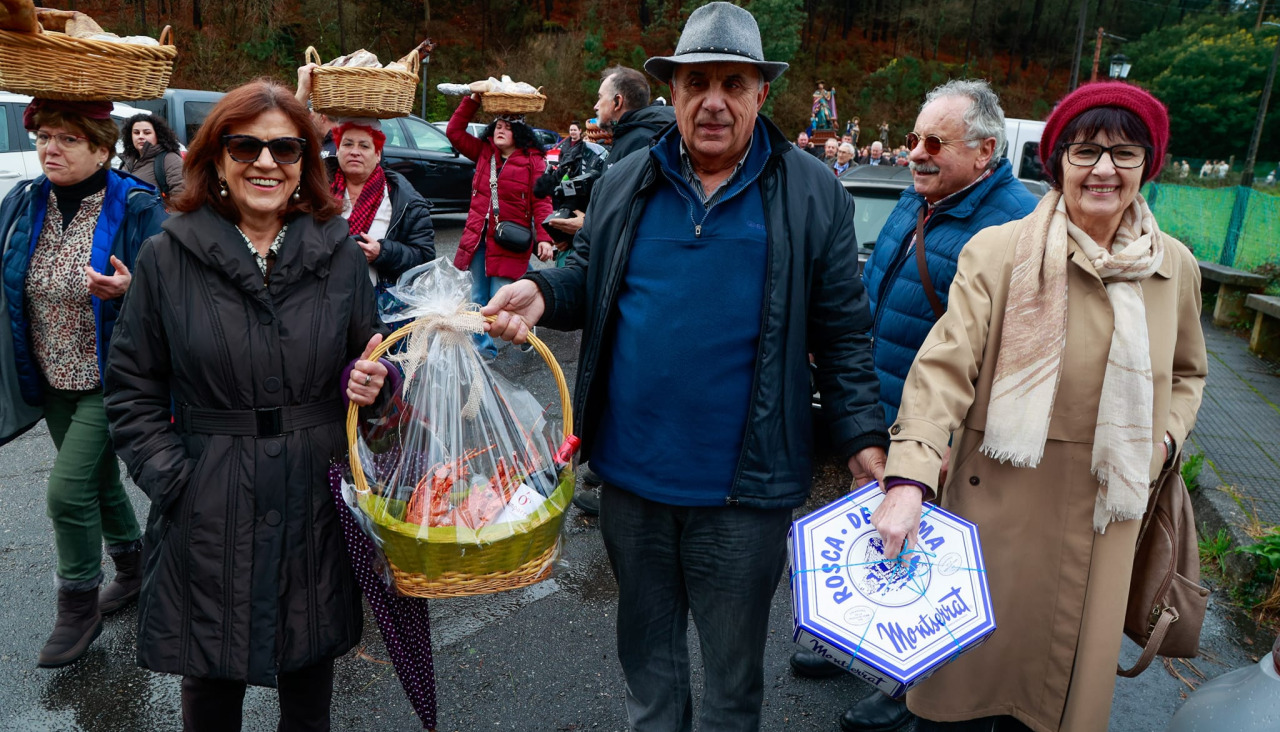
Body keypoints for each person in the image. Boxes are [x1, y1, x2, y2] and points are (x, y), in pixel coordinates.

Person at [483, 4, 888, 729]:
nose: (713, 101)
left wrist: (863, 440)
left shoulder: (812, 191)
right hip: (631, 484)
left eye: (733, 84)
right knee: (649, 673)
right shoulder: (628, 179)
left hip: (745, 498)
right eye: (696, 82)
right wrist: (541, 290)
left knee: (732, 687)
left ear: (762, 93)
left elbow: (844, 331)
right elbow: (587, 275)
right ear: (671, 91)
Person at [870, 81, 1207, 732]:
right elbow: (945, 365)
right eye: (1084, 151)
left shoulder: (1175, 269)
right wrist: (909, 475)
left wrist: (1163, 441)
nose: (1104, 168)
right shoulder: (999, 252)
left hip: (1103, 525)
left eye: (1125, 152)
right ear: (1055, 162)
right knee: (966, 700)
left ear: (1149, 163)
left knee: (1051, 708)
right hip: (992, 515)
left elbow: (1189, 373)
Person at [103, 80, 391, 731]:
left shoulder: (339, 253)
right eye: (247, 145)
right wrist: (178, 480)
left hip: (314, 500)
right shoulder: (167, 257)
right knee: (209, 685)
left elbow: (371, 366)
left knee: (309, 685)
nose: (267, 162)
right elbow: (132, 387)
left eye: (285, 148)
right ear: (217, 155)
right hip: (210, 499)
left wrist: (381, 390)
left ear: (304, 162)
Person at [795, 79, 1039, 732]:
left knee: (926, 559)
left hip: (944, 434)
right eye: (912, 139)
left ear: (986, 151)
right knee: (876, 533)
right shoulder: (921, 197)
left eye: (935, 142)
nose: (916, 153)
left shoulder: (1014, 226)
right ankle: (857, 641)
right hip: (879, 407)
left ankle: (910, 690)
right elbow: (880, 284)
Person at [0, 99, 167, 669]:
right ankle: (135, 566)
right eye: (46, 136)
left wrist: (133, 290)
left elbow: (179, 286)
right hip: (48, 375)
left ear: (102, 147)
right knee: (97, 482)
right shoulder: (23, 204)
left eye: (69, 139)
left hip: (110, 378)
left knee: (67, 492)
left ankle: (77, 604)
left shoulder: (139, 207)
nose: (51, 148)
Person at [445, 93, 554, 360]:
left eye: (507, 127)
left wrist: (545, 237)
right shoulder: (484, 153)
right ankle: (482, 353)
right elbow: (454, 131)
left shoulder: (533, 161)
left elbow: (542, 202)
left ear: (519, 132)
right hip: (478, 240)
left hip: (510, 243)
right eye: (497, 127)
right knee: (477, 297)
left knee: (500, 300)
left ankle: (525, 323)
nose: (500, 131)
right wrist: (472, 100)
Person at [329, 117, 435, 286]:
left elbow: (424, 259)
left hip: (378, 305)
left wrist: (383, 253)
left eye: (364, 146)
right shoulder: (318, 191)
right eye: (348, 144)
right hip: (322, 300)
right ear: (337, 150)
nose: (354, 151)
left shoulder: (405, 200)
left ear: (377, 154)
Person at [596, 65, 677, 165]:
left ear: (617, 101)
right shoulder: (634, 135)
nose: (596, 106)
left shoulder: (638, 142)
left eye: (600, 97)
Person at [118, 113, 186, 200]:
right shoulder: (127, 160)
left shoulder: (169, 159)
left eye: (147, 133)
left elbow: (181, 196)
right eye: (136, 133)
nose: (141, 136)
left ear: (157, 135)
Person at [294, 64, 337, 157]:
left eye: (313, 114)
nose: (310, 118)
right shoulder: (345, 142)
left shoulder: (342, 146)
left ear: (322, 117)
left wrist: (302, 91)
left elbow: (285, 137)